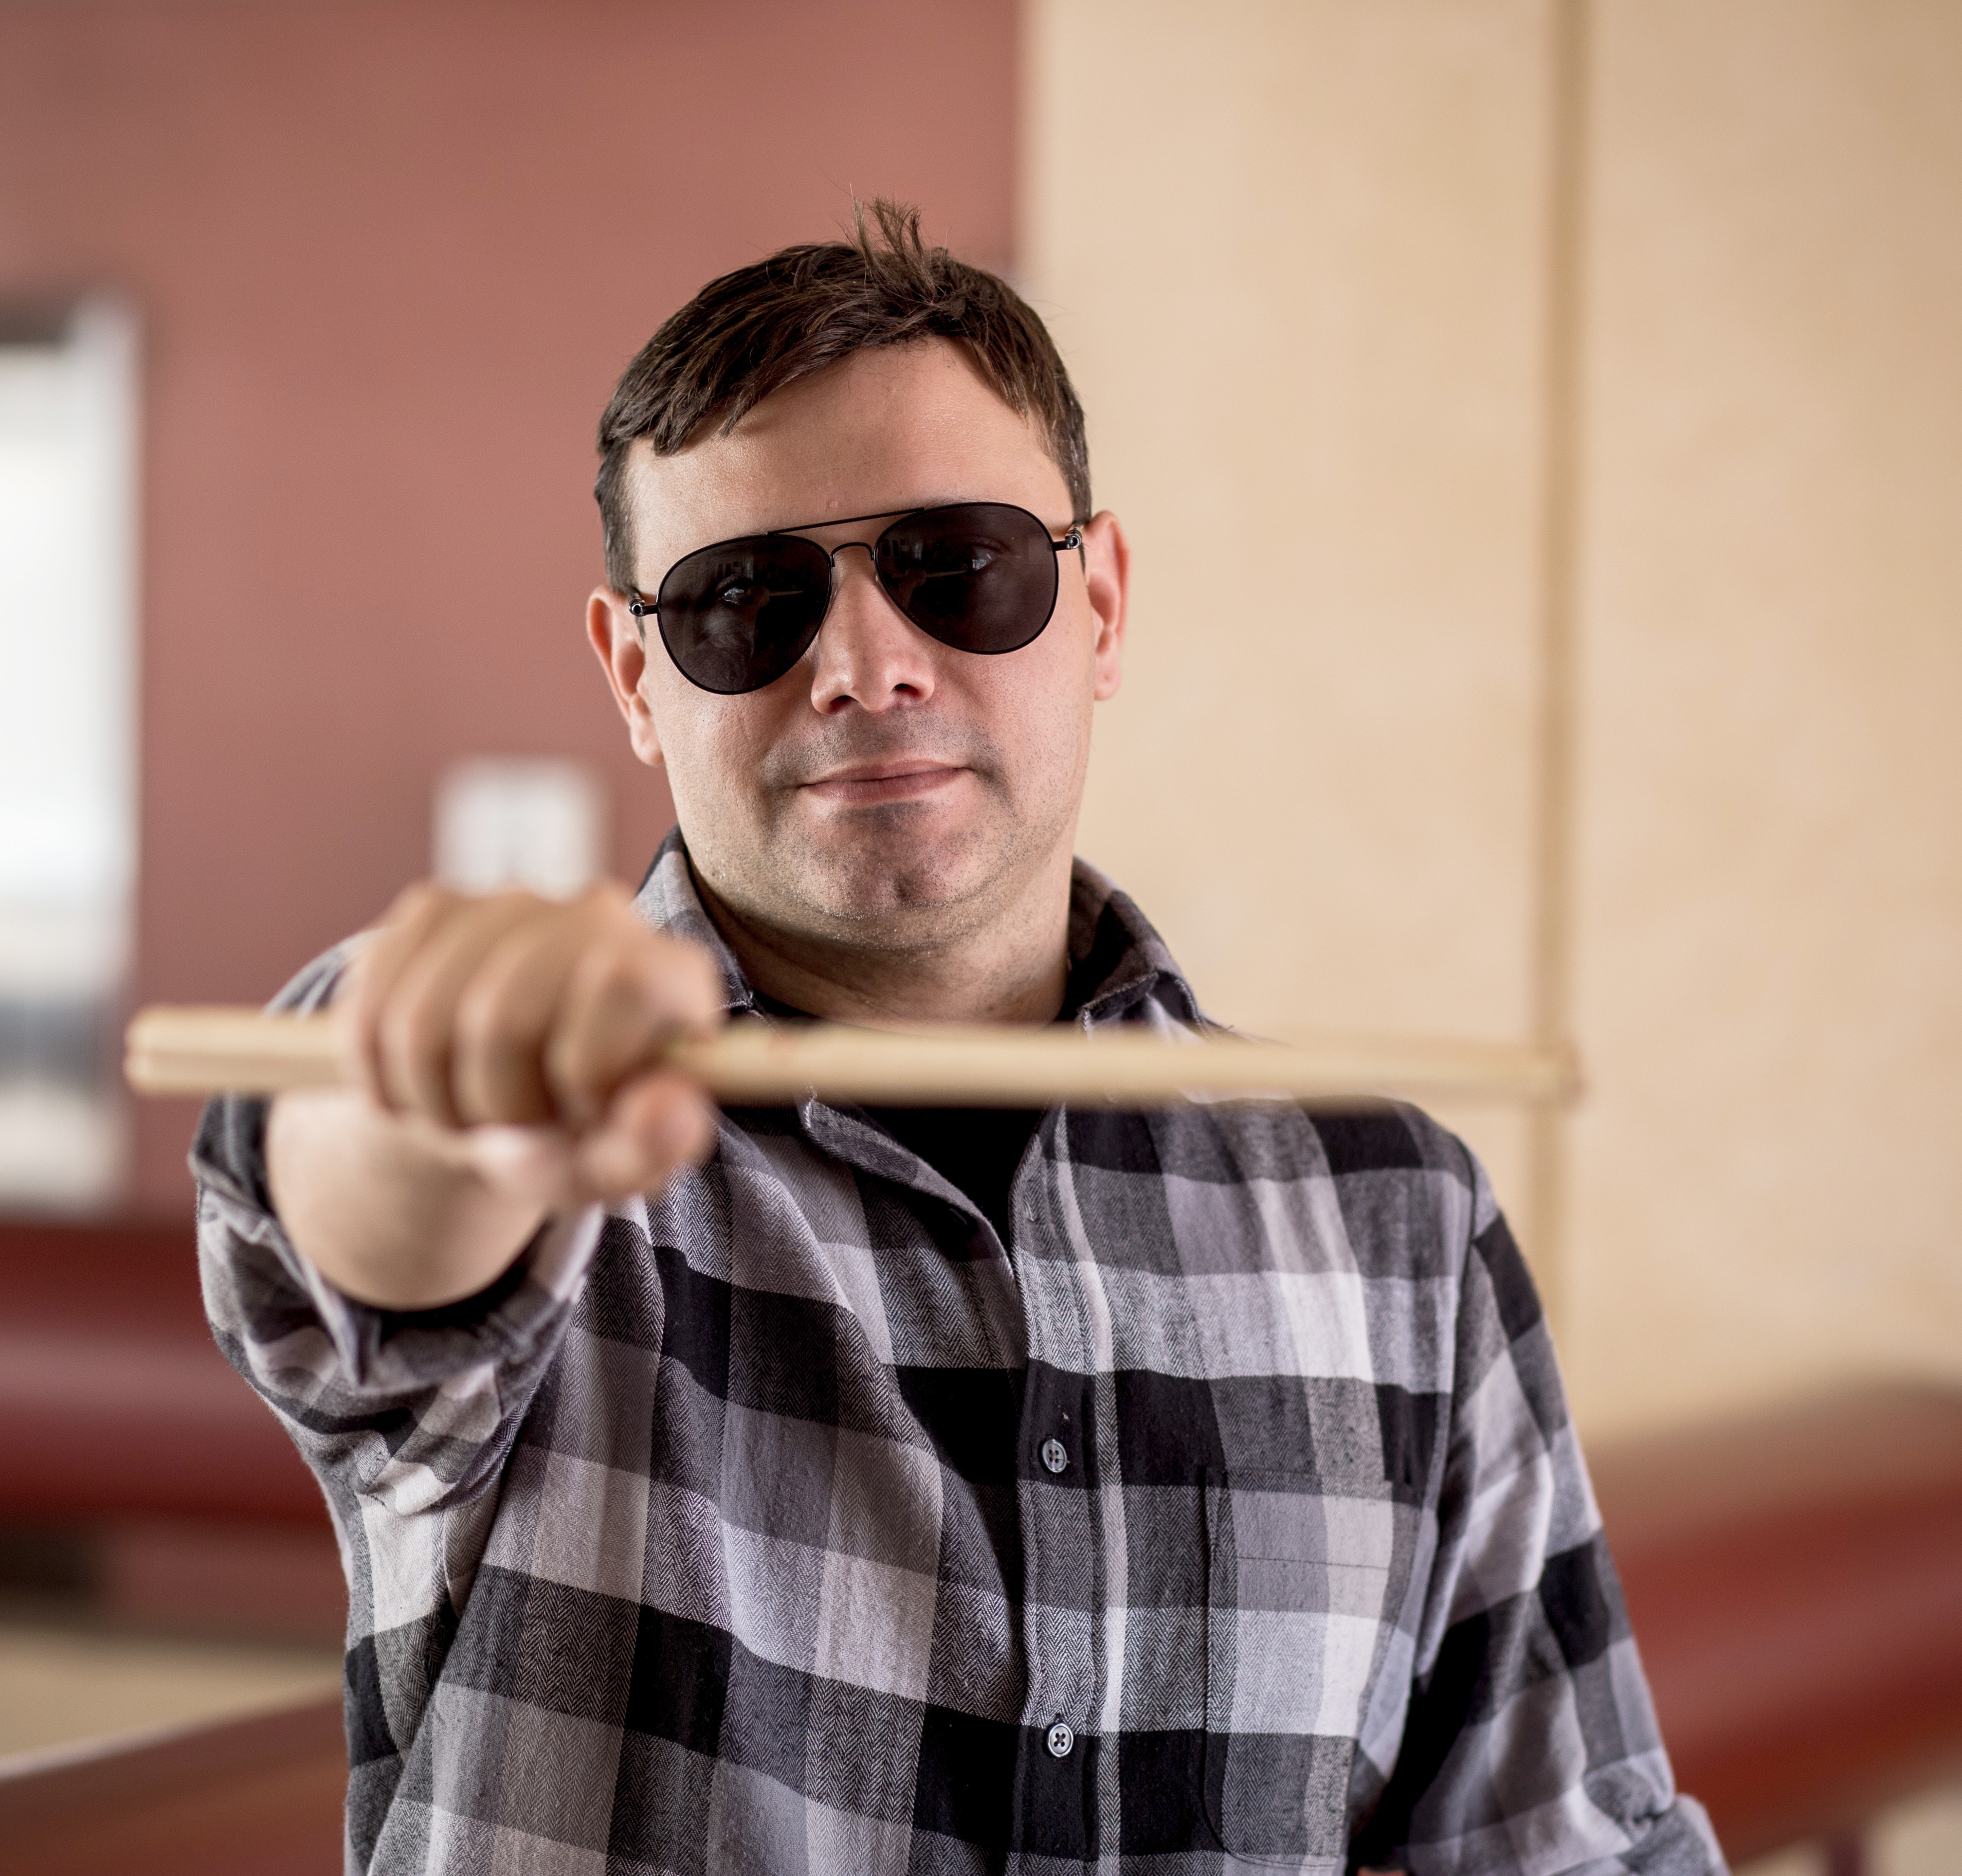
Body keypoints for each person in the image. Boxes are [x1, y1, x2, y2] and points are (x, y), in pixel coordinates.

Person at [193, 202, 1726, 1875]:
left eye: (959, 569)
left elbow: (1572, 1847)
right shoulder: (565, 1181)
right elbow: (352, 1195)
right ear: (635, 673)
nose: (865, 663)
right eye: (742, 603)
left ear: (1104, 602)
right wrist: (441, 1091)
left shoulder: (1399, 1220)